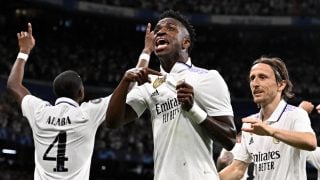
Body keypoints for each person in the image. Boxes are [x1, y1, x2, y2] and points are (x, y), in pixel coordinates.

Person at [6, 22, 153, 180]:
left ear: (56, 92)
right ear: (81, 93)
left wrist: (24, 51)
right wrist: (146, 51)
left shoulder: (39, 110)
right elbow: (129, 86)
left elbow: (13, 84)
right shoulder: (87, 112)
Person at [105, 10, 237, 180]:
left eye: (170, 28)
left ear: (185, 42)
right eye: (158, 29)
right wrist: (124, 82)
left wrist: (193, 109)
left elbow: (229, 138)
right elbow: (112, 122)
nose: (161, 31)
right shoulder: (150, 84)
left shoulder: (208, 78)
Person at [219, 56, 317, 180]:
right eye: (252, 78)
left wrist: (270, 131)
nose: (255, 83)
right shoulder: (250, 123)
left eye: (262, 77)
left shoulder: (295, 114)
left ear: (281, 85)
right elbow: (237, 169)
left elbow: (310, 142)